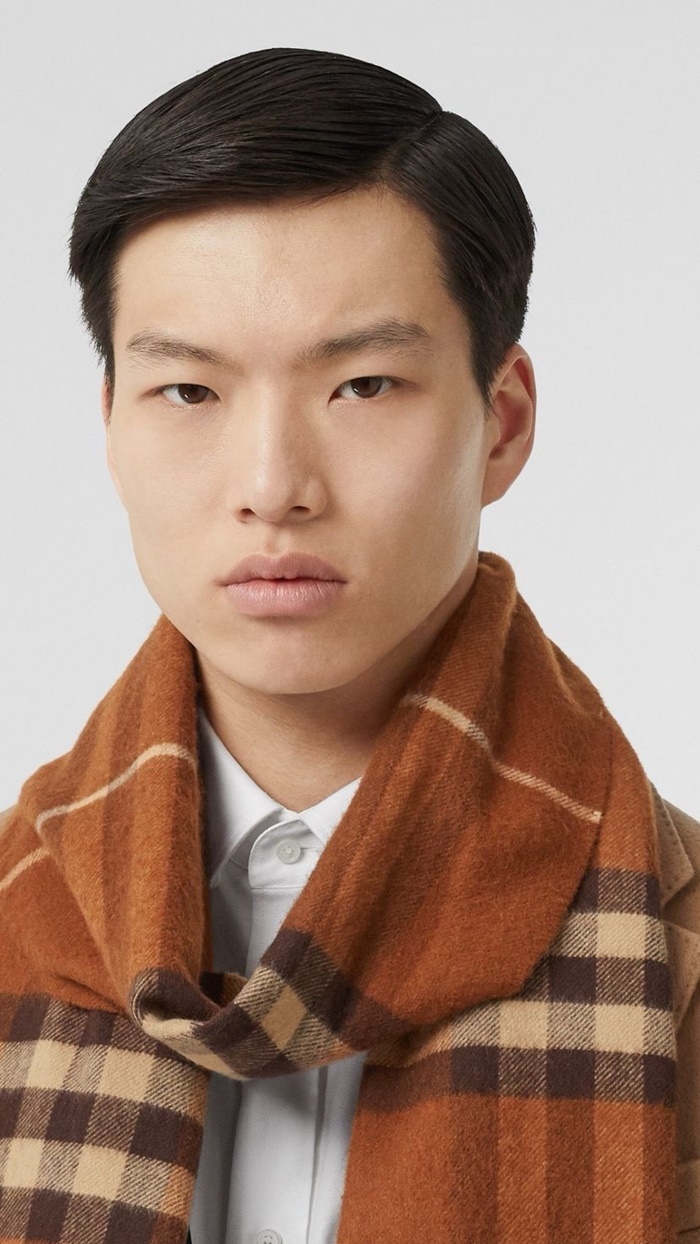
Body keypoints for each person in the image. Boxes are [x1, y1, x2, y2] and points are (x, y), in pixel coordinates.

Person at [0, 46, 698, 1244]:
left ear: (501, 423)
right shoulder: (24, 910)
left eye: (363, 385)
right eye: (190, 392)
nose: (273, 485)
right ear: (110, 425)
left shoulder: (673, 941)